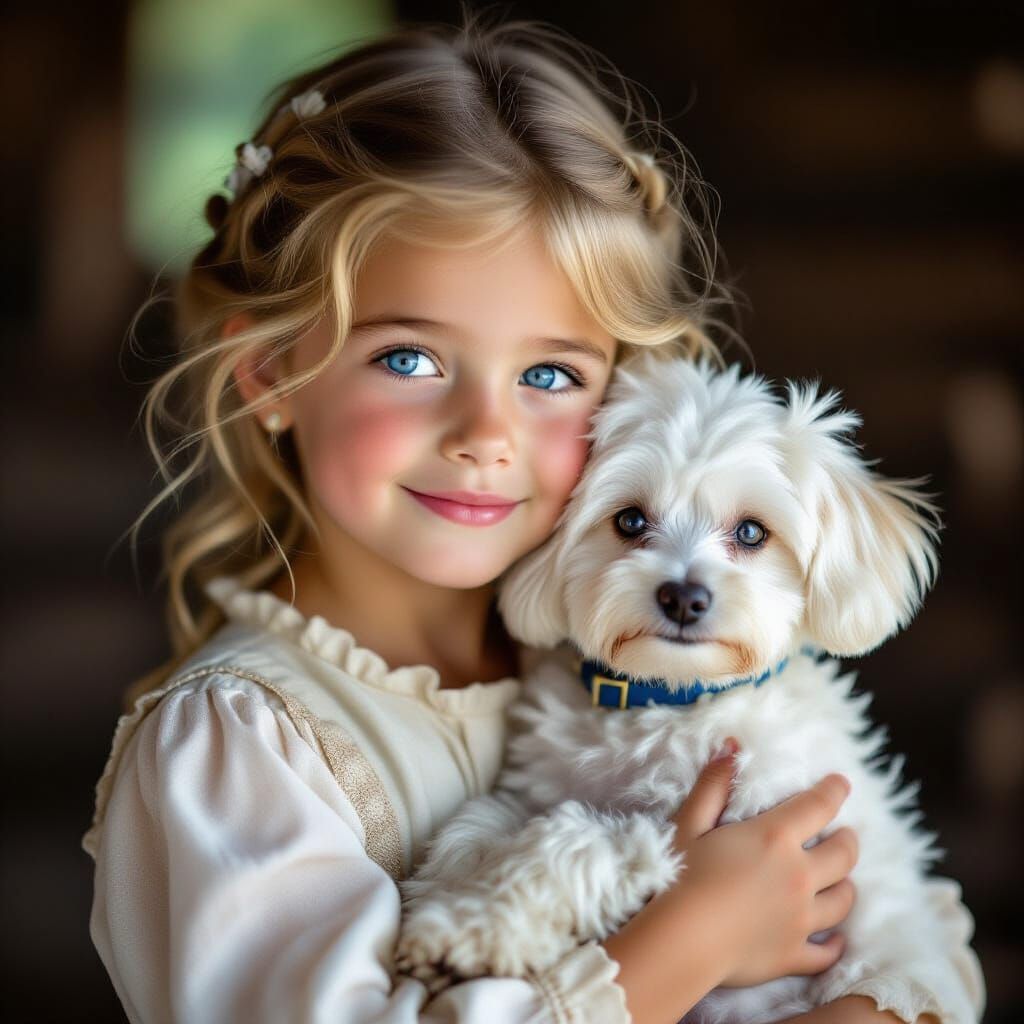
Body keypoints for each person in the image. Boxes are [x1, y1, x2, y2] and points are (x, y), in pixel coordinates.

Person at [82, 11, 985, 1024]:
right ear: (270, 374)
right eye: (409, 359)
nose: (486, 431)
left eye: (549, 373)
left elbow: (918, 925)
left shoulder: (599, 666)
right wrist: (686, 940)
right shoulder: (239, 746)